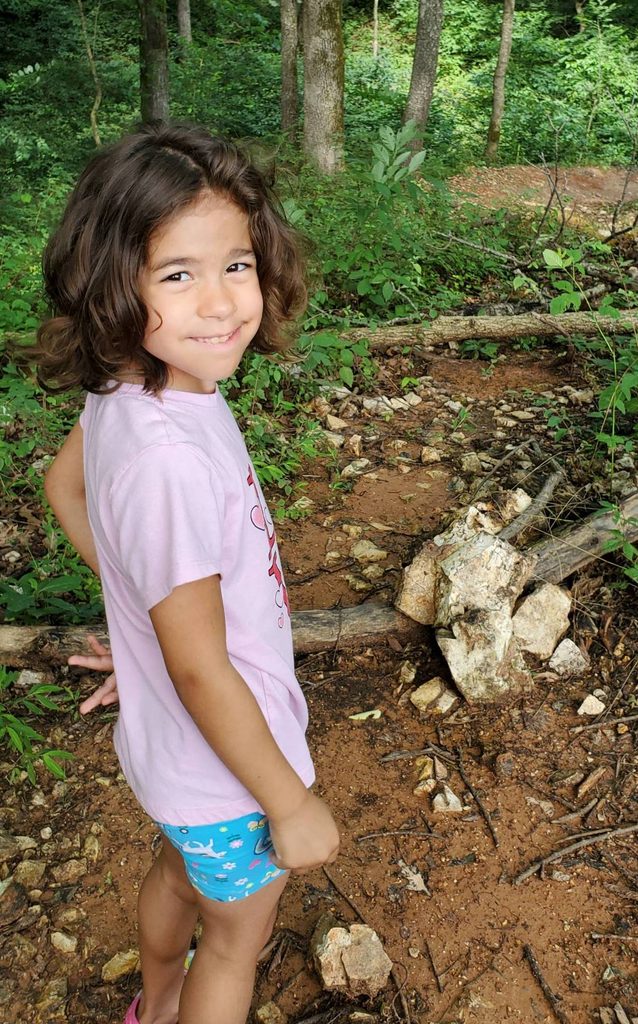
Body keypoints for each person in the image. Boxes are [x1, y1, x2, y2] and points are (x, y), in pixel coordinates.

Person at [38, 121, 340, 1024]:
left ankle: (152, 1005)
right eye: (179, 274)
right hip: (229, 780)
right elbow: (203, 667)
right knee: (238, 941)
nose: (220, 303)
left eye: (236, 265)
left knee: (177, 870)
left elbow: (65, 489)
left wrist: (141, 623)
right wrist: (290, 804)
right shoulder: (169, 457)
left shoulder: (130, 389)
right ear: (110, 286)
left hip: (175, 765)